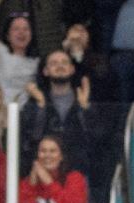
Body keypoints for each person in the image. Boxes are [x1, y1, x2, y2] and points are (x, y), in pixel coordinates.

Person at [20, 50, 93, 178]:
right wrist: (41, 105)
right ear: (45, 71)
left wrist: (85, 108)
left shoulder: (84, 98)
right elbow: (31, 138)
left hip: (78, 172)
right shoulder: (36, 100)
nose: (60, 66)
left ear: (72, 69)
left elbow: (94, 137)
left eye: (64, 62)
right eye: (54, 63)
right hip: (42, 171)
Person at [0, 0, 38, 106]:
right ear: (7, 35)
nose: (21, 33)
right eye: (16, 29)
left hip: (23, 116)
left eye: (26, 29)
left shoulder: (36, 62)